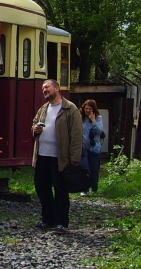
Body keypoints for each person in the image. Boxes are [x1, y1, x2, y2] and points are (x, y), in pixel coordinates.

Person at [31, 79, 83, 234]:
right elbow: (34, 124)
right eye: (43, 88)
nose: (44, 90)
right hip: (42, 156)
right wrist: (35, 129)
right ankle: (47, 219)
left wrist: (75, 157)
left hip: (60, 158)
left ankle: (61, 223)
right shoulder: (43, 109)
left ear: (57, 88)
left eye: (47, 87)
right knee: (42, 188)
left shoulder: (70, 109)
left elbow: (76, 134)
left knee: (60, 190)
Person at [80, 99, 105, 195]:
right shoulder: (81, 118)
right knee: (84, 169)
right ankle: (84, 189)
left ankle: (94, 188)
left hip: (94, 148)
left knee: (94, 169)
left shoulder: (98, 118)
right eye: (86, 109)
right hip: (84, 147)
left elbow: (100, 132)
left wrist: (93, 121)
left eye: (89, 109)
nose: (87, 111)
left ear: (93, 109)